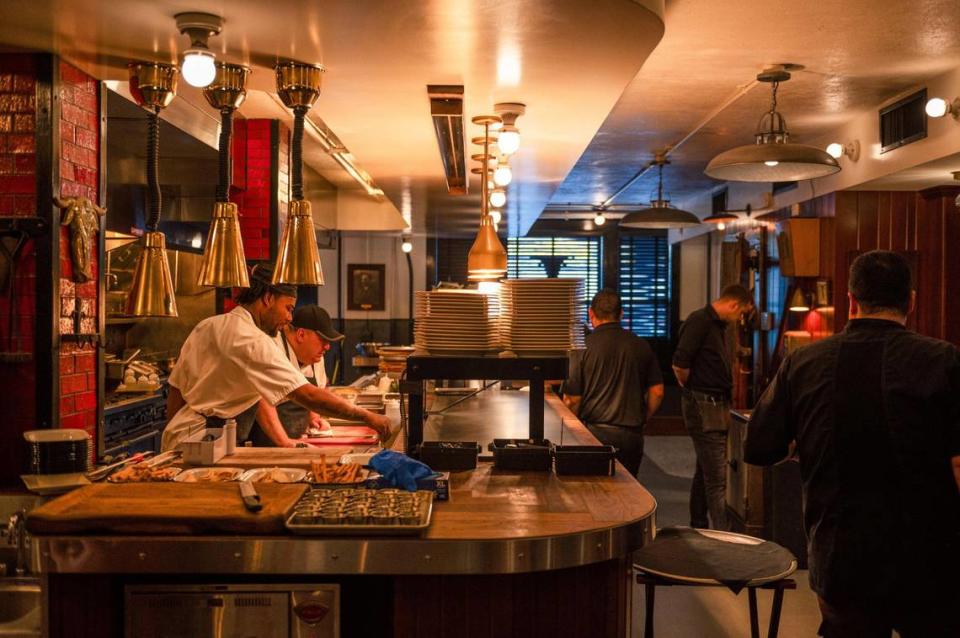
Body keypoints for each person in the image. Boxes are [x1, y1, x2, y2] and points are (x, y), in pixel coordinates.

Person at [745, 250, 960, 638]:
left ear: (850, 300)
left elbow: (760, 447)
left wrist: (804, 439)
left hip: (840, 548)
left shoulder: (804, 361)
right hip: (929, 551)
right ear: (911, 300)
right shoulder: (944, 361)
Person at [162, 264, 393, 451]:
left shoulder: (208, 325)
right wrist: (367, 417)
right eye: (288, 308)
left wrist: (173, 437)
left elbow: (176, 389)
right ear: (267, 299)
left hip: (188, 436)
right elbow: (305, 394)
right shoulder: (252, 339)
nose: (289, 318)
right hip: (200, 443)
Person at [672, 284, 754, 530]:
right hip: (703, 404)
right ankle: (723, 534)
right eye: (741, 314)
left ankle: (698, 523)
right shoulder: (700, 321)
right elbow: (679, 364)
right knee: (717, 478)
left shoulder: (717, 325)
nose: (739, 320)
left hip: (713, 404)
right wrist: (694, 389)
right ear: (733, 305)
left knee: (704, 470)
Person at [563, 289, 664, 476]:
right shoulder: (640, 345)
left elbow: (572, 399)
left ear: (591, 314)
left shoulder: (582, 347)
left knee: (595, 490)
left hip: (595, 432)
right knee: (630, 490)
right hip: (631, 434)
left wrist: (570, 433)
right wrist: (643, 418)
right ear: (621, 314)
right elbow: (657, 391)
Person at [248, 305, 341, 447]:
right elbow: (262, 401)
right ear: (301, 334)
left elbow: (315, 392)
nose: (327, 347)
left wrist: (314, 417)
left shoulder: (316, 357)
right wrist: (285, 442)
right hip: (264, 443)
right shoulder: (271, 348)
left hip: (297, 440)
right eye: (323, 340)